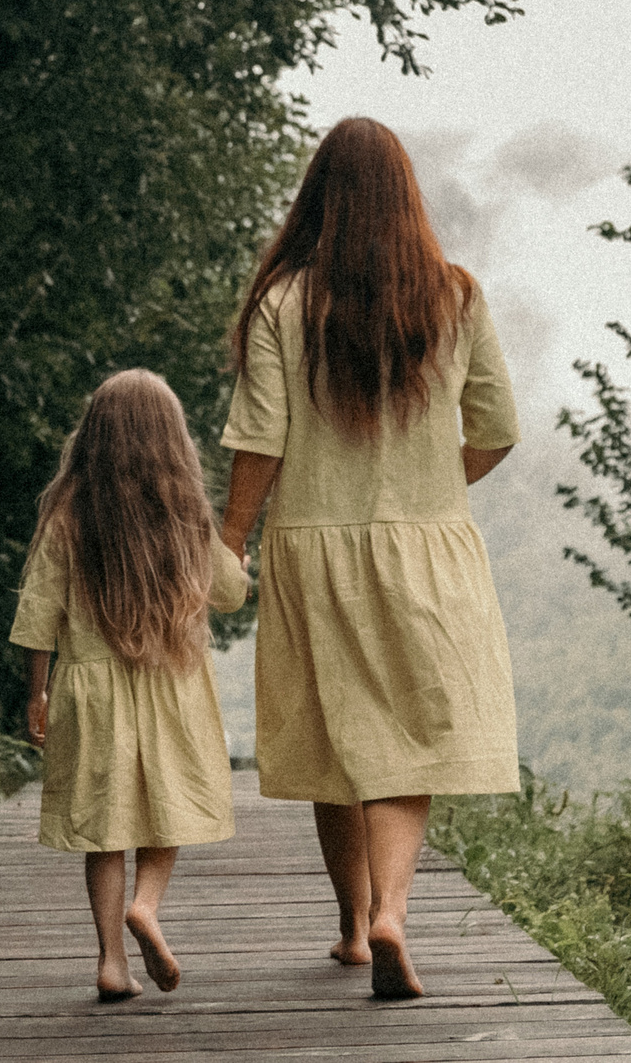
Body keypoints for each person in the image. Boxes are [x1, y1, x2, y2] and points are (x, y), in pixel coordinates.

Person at [217, 117, 520, 1001]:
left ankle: (353, 927)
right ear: (407, 195)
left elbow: (261, 437)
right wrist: (436, 481)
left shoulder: (282, 302)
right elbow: (499, 429)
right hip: (429, 548)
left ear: (318, 195)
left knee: (333, 733)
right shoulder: (456, 296)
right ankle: (392, 909)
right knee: (411, 741)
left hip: (315, 547)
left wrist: (232, 535)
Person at [10, 368, 251, 1002]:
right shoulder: (187, 515)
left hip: (91, 692)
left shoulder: (66, 515)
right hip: (170, 684)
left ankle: (112, 961)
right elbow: (230, 594)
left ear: (93, 436)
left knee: (105, 827)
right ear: (173, 440)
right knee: (165, 809)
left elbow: (39, 610)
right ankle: (147, 905)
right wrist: (238, 556)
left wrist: (36, 692)